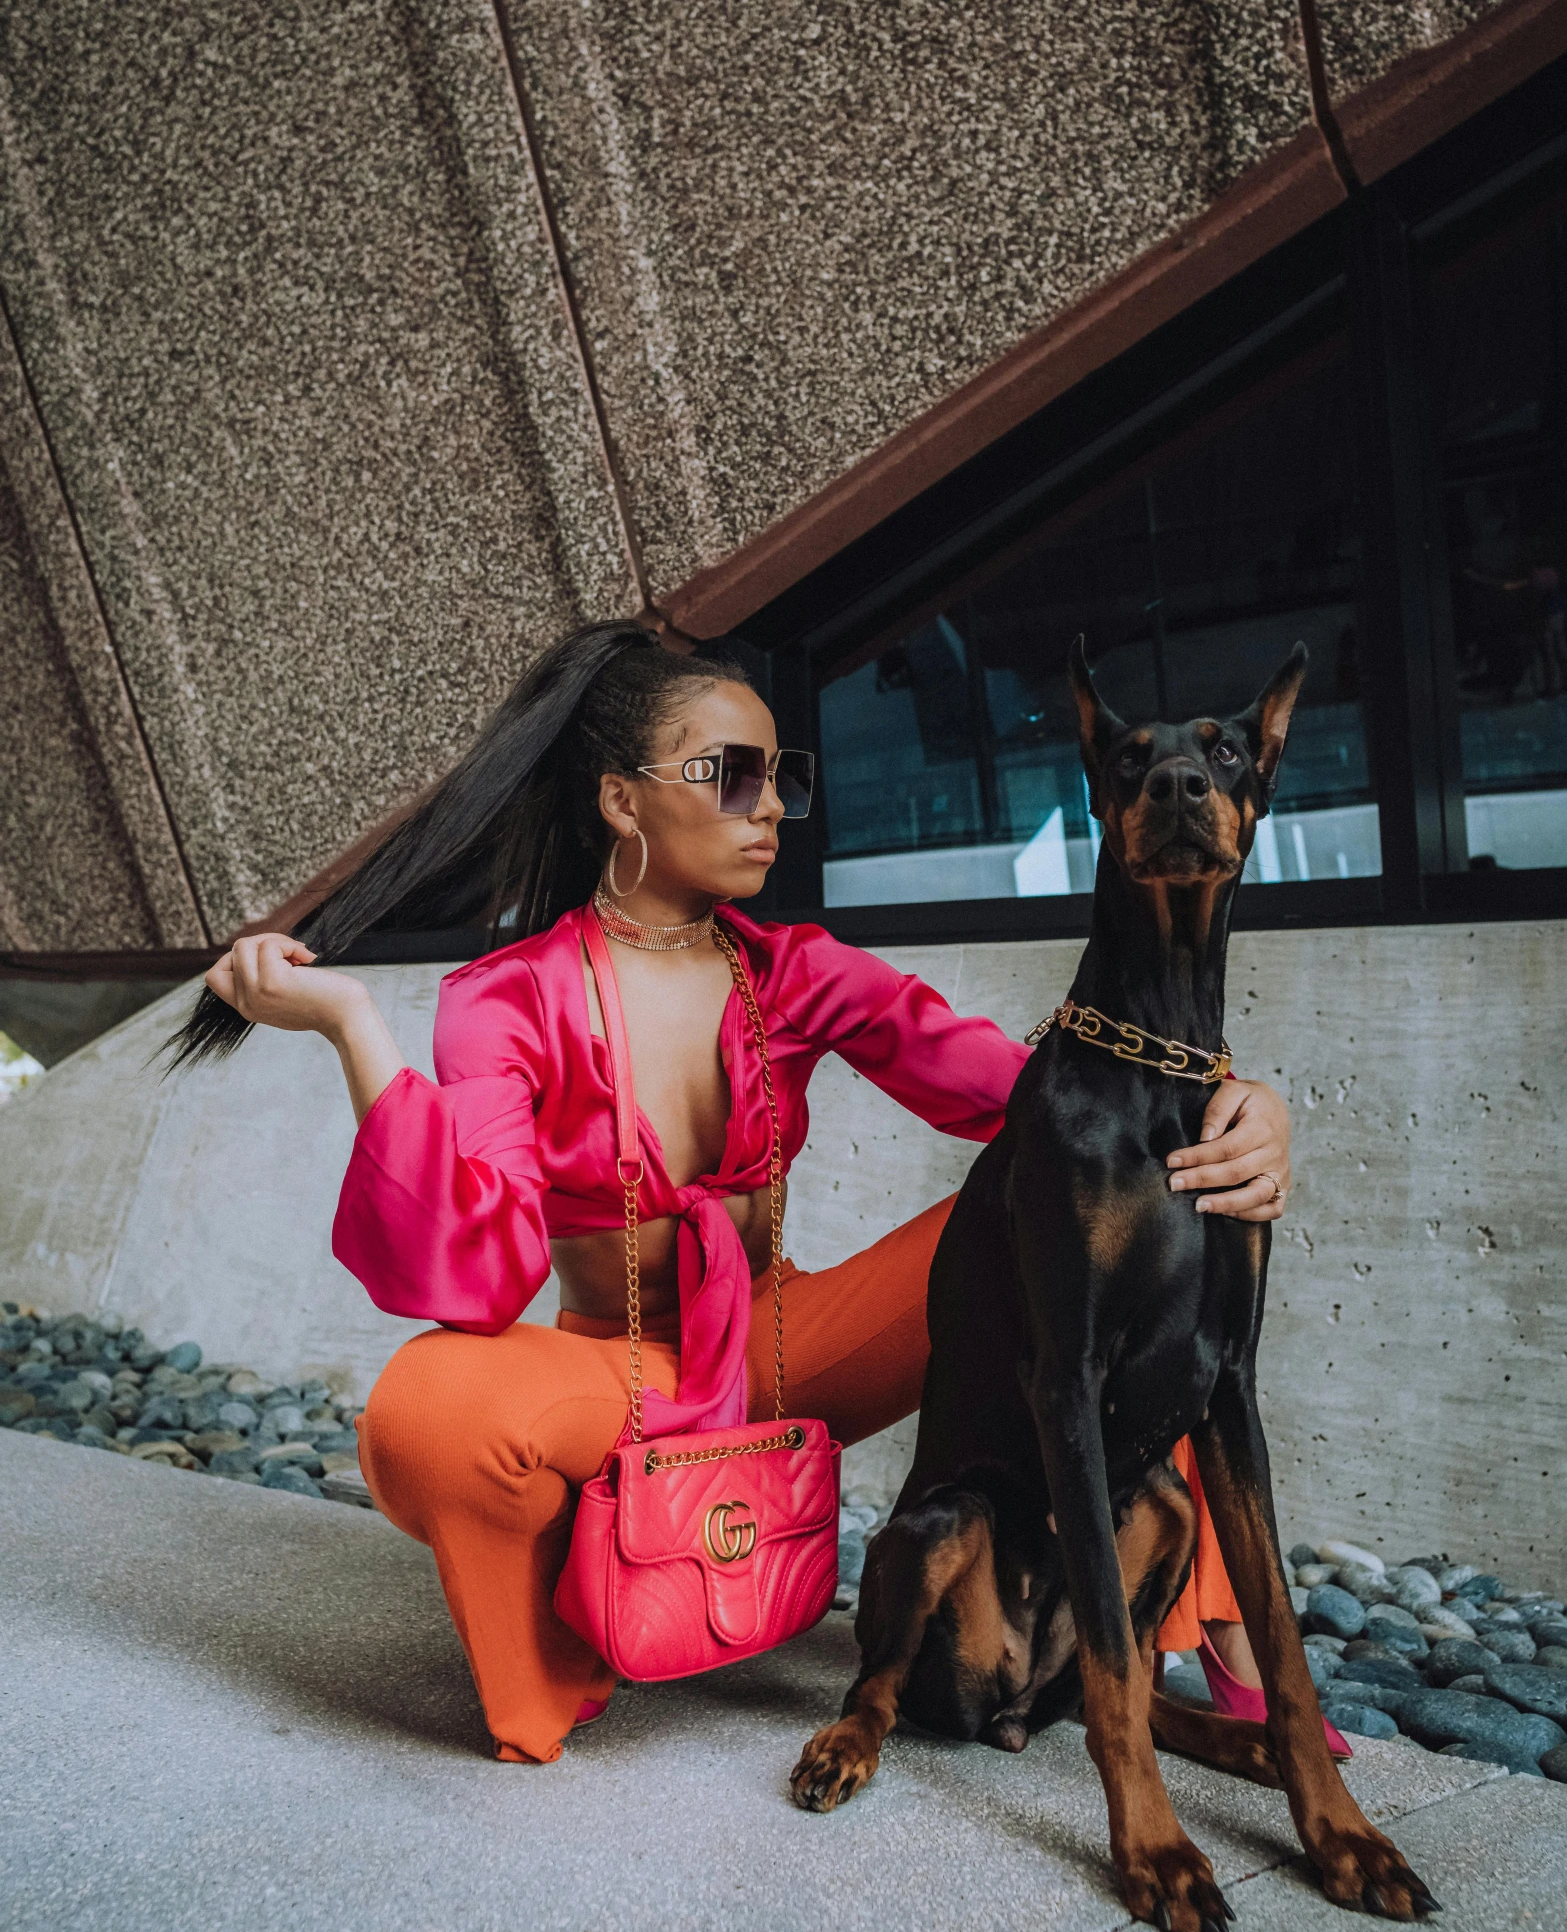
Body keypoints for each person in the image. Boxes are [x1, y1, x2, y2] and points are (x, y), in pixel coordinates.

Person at [179, 623, 1295, 1766]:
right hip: (612, 1370)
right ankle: (573, 1604)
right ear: (622, 799)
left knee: (1135, 1240)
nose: (771, 807)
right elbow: (477, 1272)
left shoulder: (793, 970)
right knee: (430, 1409)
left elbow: (1044, 1105)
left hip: (781, 1345)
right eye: (734, 775)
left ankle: (1218, 1651)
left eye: (784, 778)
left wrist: (1239, 1106)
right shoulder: (506, 998)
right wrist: (354, 1031)